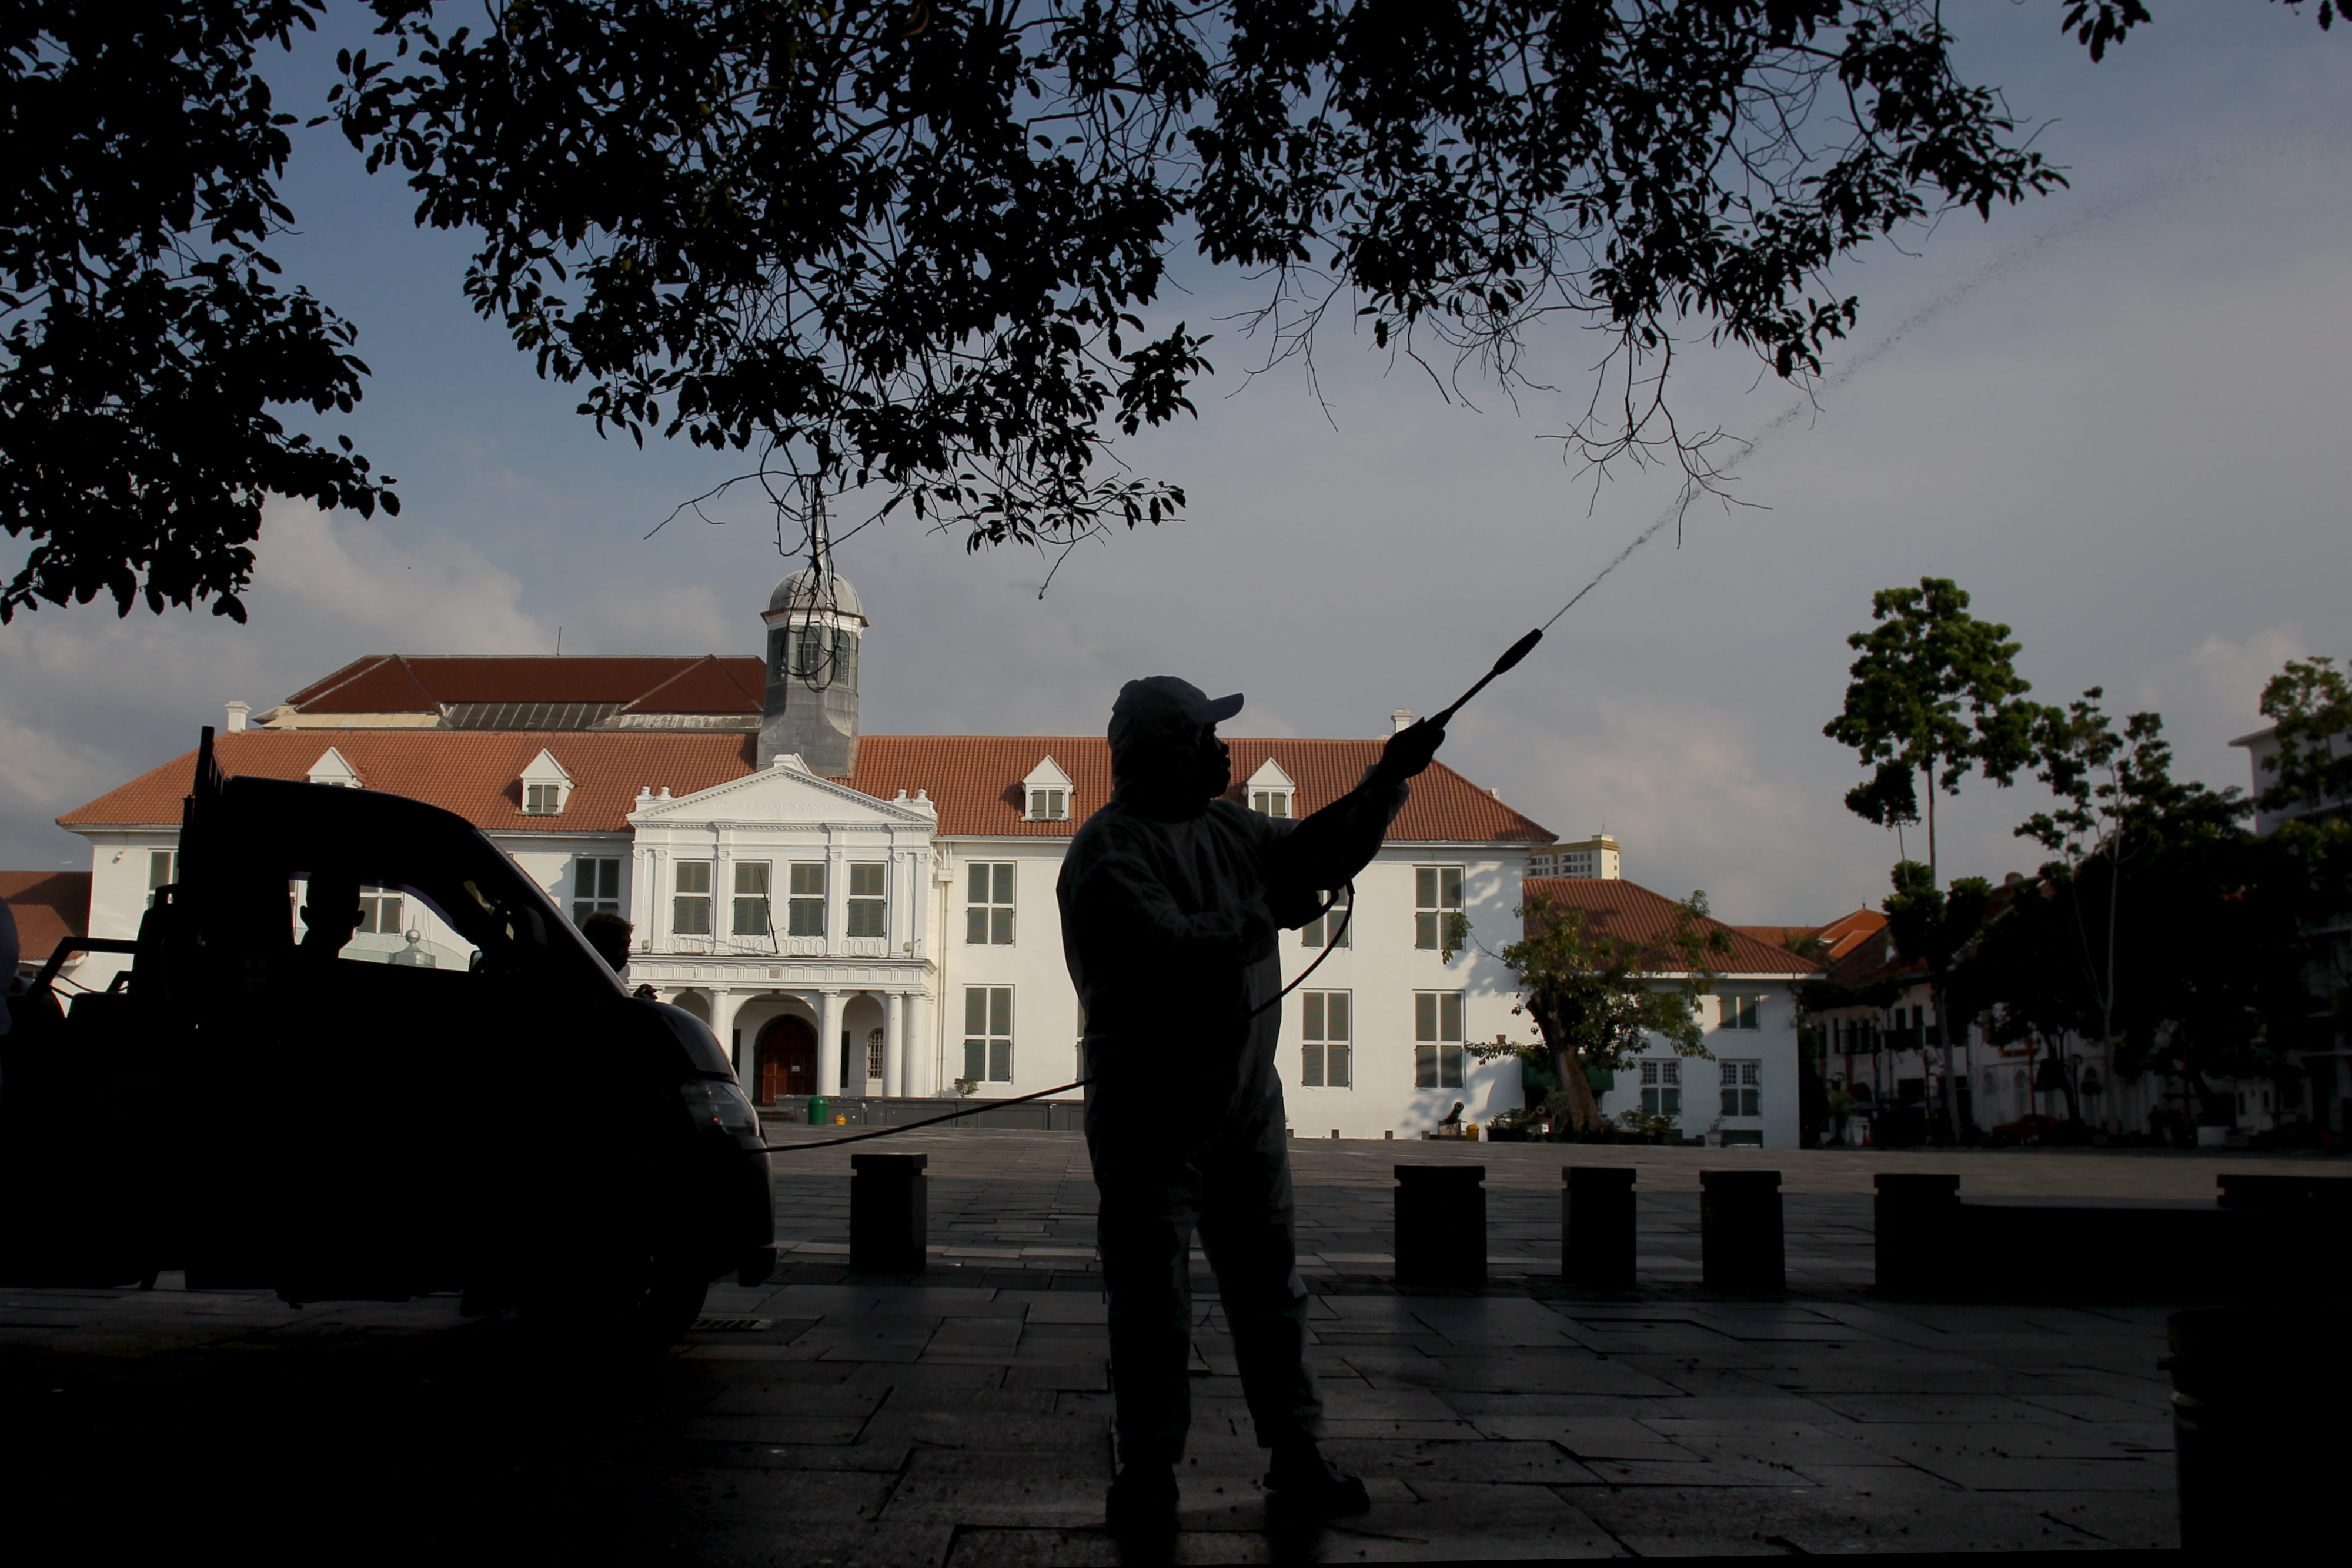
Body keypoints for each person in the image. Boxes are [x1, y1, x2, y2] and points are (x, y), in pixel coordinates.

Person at [1057, 676, 1445, 1530]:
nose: (1223, 751)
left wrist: (1386, 782)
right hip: (1150, 1105)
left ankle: (1296, 1453)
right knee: (1151, 1292)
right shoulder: (1106, 852)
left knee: (1271, 1281)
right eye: (1205, 737)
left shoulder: (1230, 825)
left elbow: (1314, 849)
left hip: (1242, 1097)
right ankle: (1149, 1469)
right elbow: (1169, 947)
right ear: (1160, 750)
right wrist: (1265, 912)